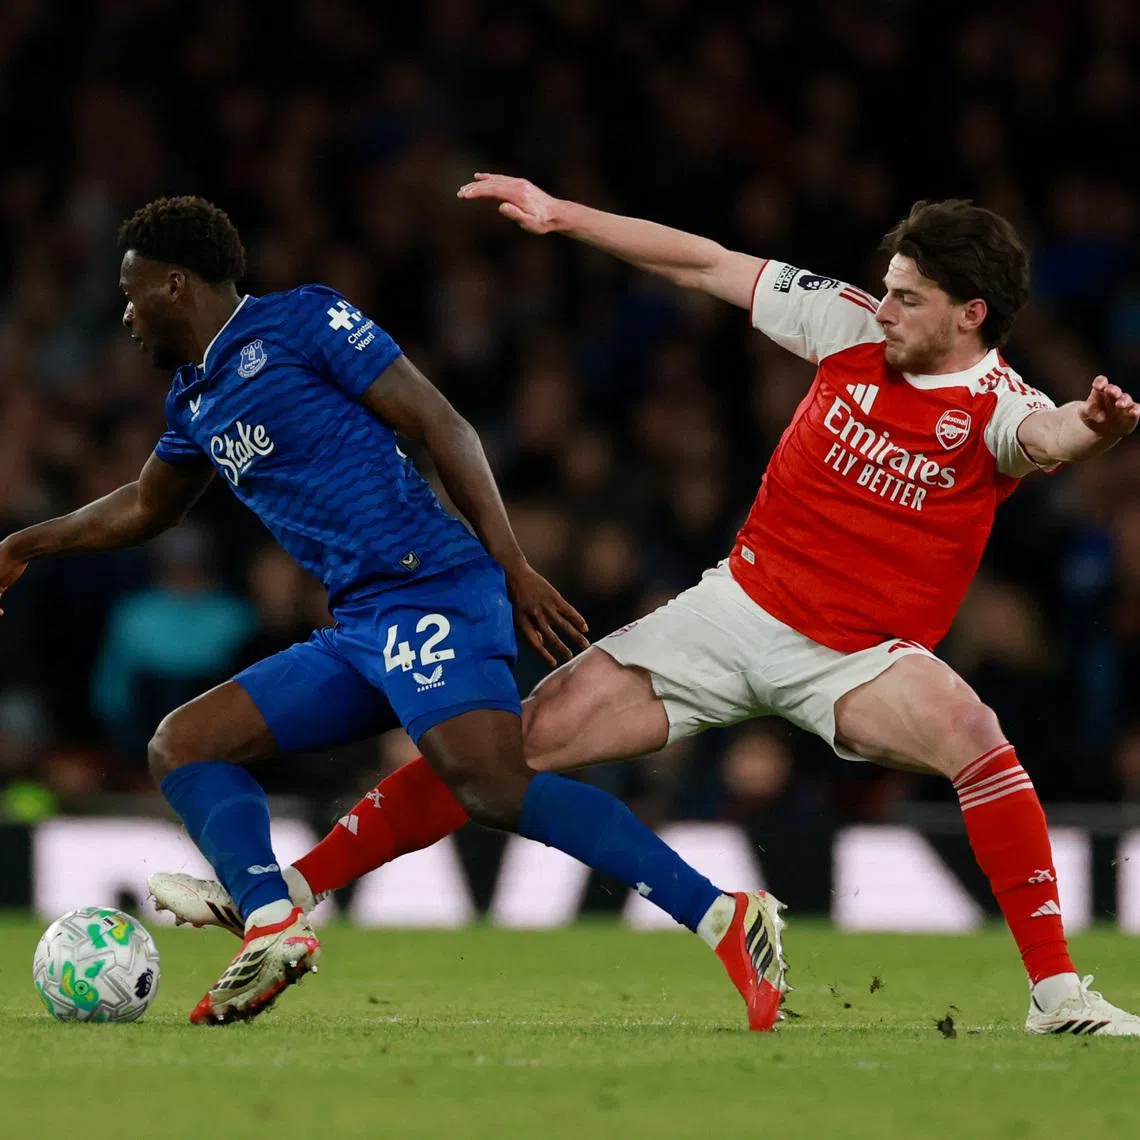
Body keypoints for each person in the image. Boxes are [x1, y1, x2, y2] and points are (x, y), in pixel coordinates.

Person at [155, 177, 1140, 1036]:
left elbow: (1046, 442)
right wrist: (562, 214)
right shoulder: (849, 328)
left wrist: (1093, 428)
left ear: (970, 315)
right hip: (732, 610)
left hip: (859, 656)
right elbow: (707, 263)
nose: (881, 308)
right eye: (884, 288)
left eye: (907, 299)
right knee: (511, 748)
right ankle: (292, 894)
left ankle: (1055, 991)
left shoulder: (997, 407)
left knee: (977, 737)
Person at [0, 196, 788, 1028]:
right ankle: (272, 922)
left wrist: (512, 564)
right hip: (360, 624)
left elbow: (442, 423)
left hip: (434, 585)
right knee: (184, 744)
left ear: (174, 285)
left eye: (131, 296)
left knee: (489, 781)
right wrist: (27, 545)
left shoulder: (302, 321)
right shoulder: (193, 401)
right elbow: (144, 509)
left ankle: (724, 915)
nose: (123, 315)